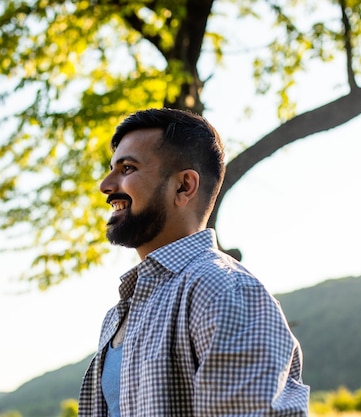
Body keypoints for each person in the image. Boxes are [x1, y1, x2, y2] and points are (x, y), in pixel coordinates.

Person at [78, 108, 309, 416]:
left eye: (127, 168)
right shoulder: (118, 316)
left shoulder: (222, 289)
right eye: (111, 169)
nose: (106, 185)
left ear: (184, 186)